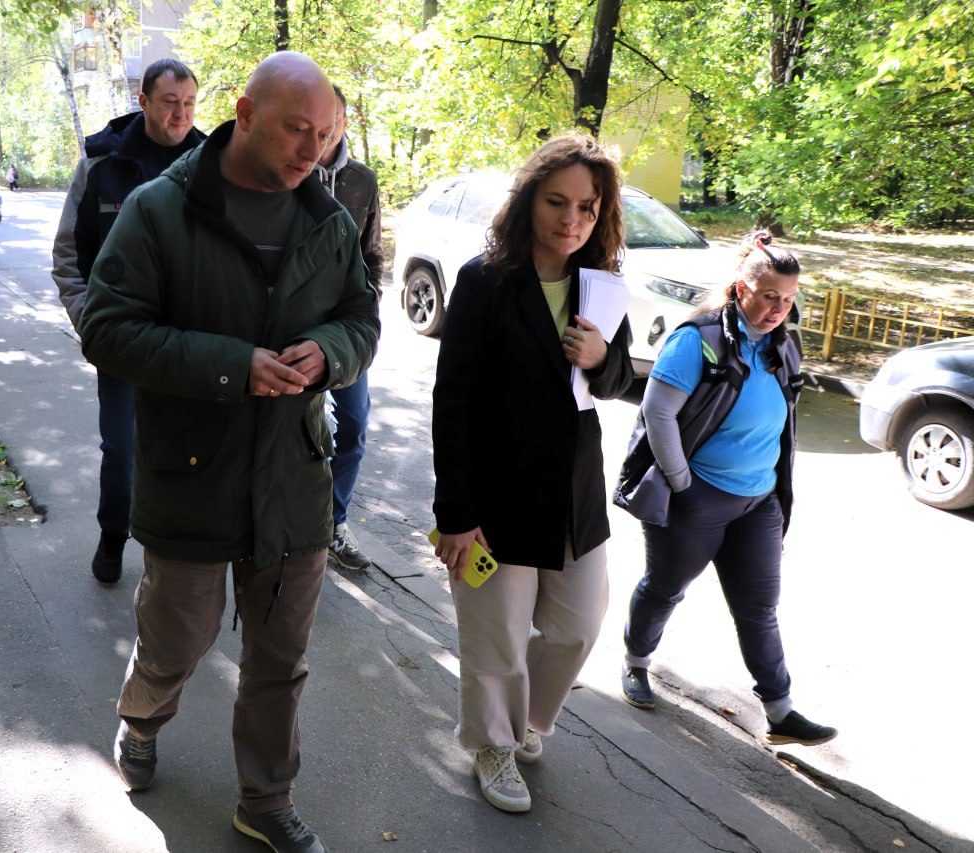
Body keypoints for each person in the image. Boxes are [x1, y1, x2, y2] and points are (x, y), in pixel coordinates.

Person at [79, 51, 379, 853]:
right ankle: (142, 717)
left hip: (294, 480)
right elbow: (106, 327)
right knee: (176, 640)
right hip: (191, 474)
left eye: (325, 133)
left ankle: (265, 798)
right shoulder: (159, 208)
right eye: (296, 129)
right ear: (244, 115)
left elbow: (362, 319)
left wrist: (330, 352)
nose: (312, 148)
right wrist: (231, 364)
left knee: (280, 658)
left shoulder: (329, 220)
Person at [430, 134, 633, 813]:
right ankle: (493, 743)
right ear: (529, 200)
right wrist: (457, 515)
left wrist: (603, 358)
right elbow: (453, 400)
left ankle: (525, 723)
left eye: (586, 206)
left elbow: (615, 381)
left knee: (578, 626)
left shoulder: (600, 284)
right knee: (497, 636)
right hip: (496, 495)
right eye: (556, 202)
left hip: (574, 494)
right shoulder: (484, 281)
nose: (571, 219)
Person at [614, 229, 838, 748]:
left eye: (788, 299)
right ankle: (636, 661)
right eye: (769, 296)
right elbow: (657, 412)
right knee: (665, 588)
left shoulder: (785, 345)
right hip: (698, 498)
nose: (779, 309)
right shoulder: (698, 340)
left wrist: (775, 490)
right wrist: (681, 483)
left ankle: (780, 711)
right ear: (741, 289)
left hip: (759, 501)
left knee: (759, 607)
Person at [52, 58, 206, 584]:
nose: (181, 114)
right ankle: (114, 534)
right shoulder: (103, 162)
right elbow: (69, 254)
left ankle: (176, 549)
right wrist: (90, 323)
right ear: (143, 102)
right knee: (121, 449)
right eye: (170, 103)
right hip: (121, 339)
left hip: (190, 341)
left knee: (189, 451)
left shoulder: (213, 163)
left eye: (189, 104)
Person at [312, 84, 382, 571]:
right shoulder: (290, 171)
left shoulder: (362, 181)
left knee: (353, 427)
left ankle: (334, 523)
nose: (325, 130)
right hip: (295, 328)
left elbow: (372, 254)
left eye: (333, 119)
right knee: (292, 432)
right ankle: (290, 526)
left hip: (347, 329)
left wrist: (368, 312)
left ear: (344, 121)